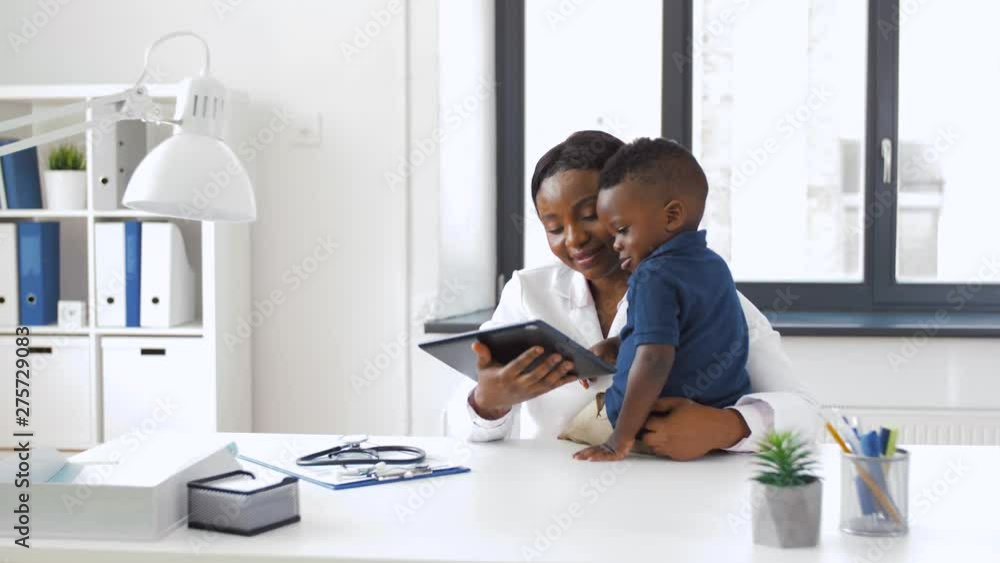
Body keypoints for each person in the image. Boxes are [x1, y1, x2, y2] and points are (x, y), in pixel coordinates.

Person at [444, 130, 818, 460]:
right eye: (554, 227)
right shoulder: (528, 295)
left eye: (591, 215)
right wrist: (488, 404)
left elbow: (806, 415)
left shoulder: (708, 294)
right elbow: (457, 431)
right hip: (555, 505)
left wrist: (727, 426)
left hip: (676, 508)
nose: (573, 239)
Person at [573, 137, 751, 462]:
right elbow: (692, 333)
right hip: (712, 426)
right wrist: (618, 344)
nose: (616, 244)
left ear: (671, 217)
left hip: (650, 430)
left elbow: (655, 359)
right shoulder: (714, 266)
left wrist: (618, 441)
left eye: (623, 230)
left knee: (567, 442)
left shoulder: (652, 274)